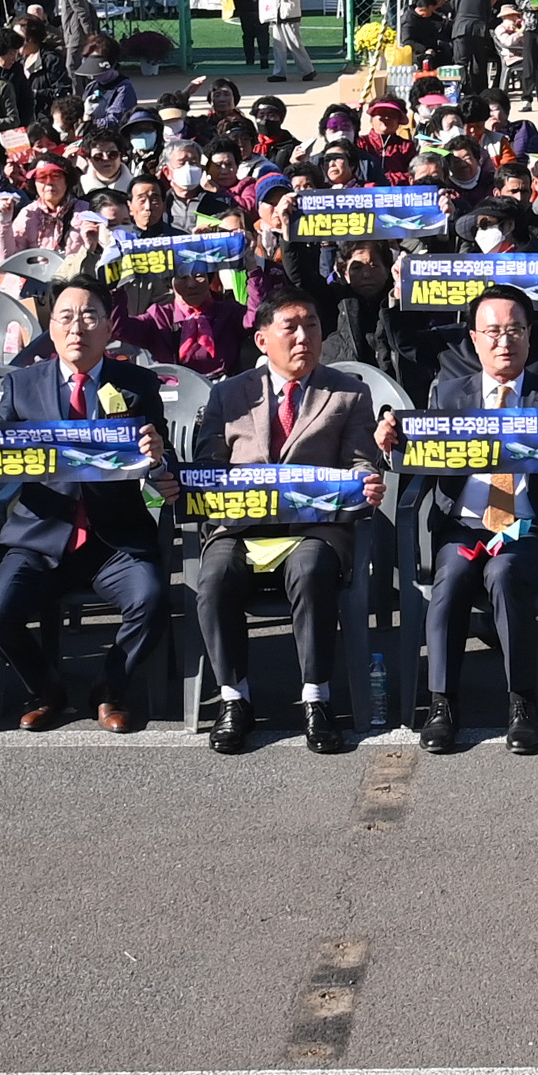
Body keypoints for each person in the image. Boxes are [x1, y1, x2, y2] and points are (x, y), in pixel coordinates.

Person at [390, 282, 538, 755]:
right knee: (452, 576)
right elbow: (416, 456)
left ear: (530, 335)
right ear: (474, 337)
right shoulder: (449, 392)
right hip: (463, 526)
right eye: (494, 332)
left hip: (528, 530)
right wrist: (393, 441)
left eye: (516, 331)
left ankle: (522, 703)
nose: (505, 341)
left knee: (504, 573)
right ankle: (442, 703)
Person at [185, 286, 382, 753]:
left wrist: (368, 480)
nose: (303, 337)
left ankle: (316, 697)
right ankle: (235, 697)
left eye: (311, 325)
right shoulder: (228, 394)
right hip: (242, 523)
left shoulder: (348, 392)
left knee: (311, 568)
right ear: (262, 340)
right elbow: (209, 464)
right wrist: (187, 484)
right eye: (289, 327)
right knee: (213, 577)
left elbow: (360, 462)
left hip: (315, 525)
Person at [0, 285, 177, 732]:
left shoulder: (137, 383)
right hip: (40, 535)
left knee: (150, 599)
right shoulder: (22, 384)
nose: (77, 327)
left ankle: (108, 689)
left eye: (90, 316)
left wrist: (159, 457)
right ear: (50, 329)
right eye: (66, 317)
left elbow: (161, 464)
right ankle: (47, 688)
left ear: (109, 327)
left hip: (114, 539)